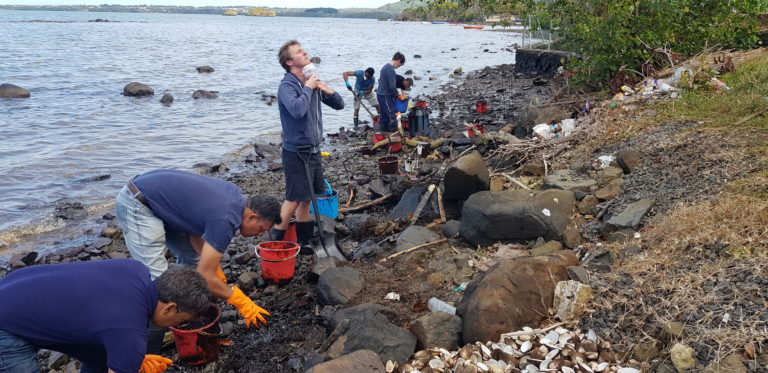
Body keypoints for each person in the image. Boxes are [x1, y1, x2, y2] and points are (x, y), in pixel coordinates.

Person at [115, 169, 281, 328]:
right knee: (158, 279)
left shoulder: (237, 198)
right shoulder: (225, 220)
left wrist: (213, 269)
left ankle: (184, 311)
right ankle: (153, 335)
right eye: (261, 229)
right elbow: (205, 275)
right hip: (137, 201)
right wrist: (240, 301)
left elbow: (194, 230)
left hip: (162, 204)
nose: (260, 235)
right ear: (252, 216)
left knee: (193, 262)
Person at [0, 259, 210, 373]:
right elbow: (121, 329)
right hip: (6, 322)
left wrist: (127, 360)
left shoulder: (135, 269)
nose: (172, 327)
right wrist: (129, 360)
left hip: (15, 284)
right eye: (181, 321)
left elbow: (107, 316)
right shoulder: (128, 330)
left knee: (101, 356)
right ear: (170, 308)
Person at [271, 40, 344, 250]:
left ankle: (303, 243)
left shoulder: (309, 82)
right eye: (299, 52)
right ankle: (275, 243)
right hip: (296, 153)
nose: (305, 53)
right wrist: (308, 88)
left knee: (307, 199)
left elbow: (340, 105)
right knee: (293, 199)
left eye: (303, 50)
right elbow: (297, 110)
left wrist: (327, 90)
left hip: (313, 151)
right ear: (289, 62)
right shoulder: (287, 85)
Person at [376, 52, 406, 132]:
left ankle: (383, 133)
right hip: (385, 95)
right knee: (392, 114)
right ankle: (394, 133)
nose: (398, 67)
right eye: (400, 65)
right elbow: (392, 86)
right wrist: (398, 95)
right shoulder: (390, 69)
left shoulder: (385, 67)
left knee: (384, 115)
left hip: (380, 94)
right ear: (399, 60)